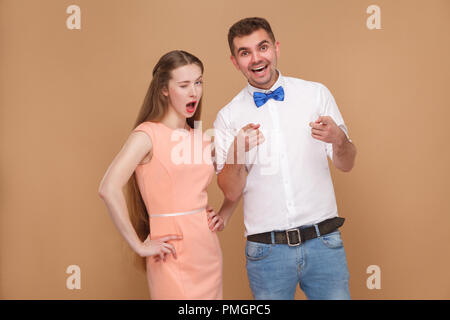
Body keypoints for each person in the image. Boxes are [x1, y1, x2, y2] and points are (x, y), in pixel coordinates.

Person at [213, 17, 357, 300]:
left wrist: (338, 138)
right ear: (235, 61)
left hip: (324, 243)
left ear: (276, 48)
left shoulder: (315, 94)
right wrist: (236, 154)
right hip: (267, 253)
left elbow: (347, 163)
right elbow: (230, 191)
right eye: (245, 52)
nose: (256, 58)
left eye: (262, 47)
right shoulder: (227, 117)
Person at [98, 50, 238, 300]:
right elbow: (108, 188)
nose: (194, 91)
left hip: (206, 249)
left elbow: (234, 184)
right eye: (184, 85)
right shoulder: (147, 135)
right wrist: (138, 245)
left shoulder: (200, 137)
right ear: (164, 89)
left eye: (198, 82)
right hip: (170, 251)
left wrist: (226, 211)